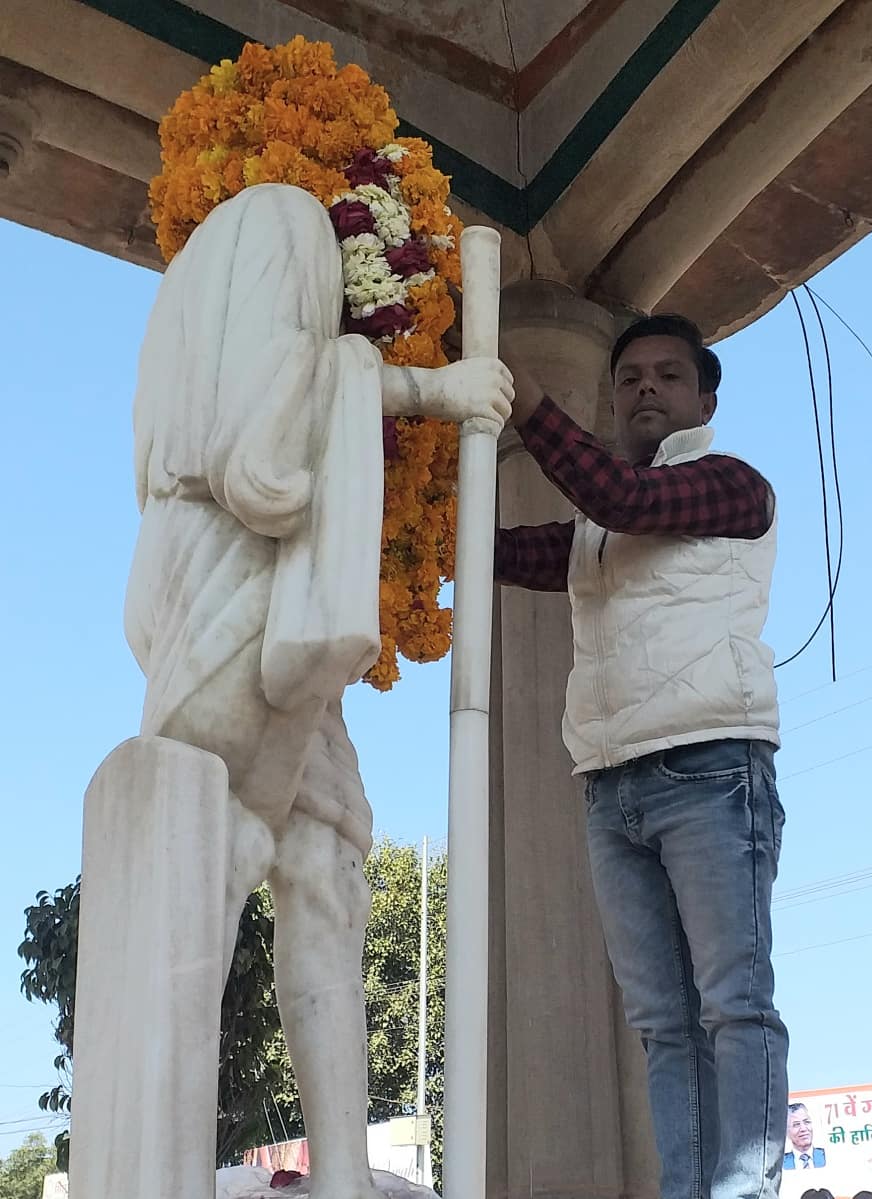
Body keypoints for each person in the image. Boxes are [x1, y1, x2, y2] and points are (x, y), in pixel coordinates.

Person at [125, 183, 513, 1199]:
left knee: (320, 861)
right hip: (242, 582)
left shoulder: (182, 289)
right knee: (219, 865)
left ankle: (336, 1171)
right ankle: (164, 1165)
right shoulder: (280, 221)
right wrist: (432, 390)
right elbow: (265, 443)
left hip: (220, 584)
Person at [496, 314, 787, 1199]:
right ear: (613, 400)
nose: (646, 388)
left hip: (712, 767)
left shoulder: (732, 485)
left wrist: (525, 402)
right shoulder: (595, 526)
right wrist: (420, 518)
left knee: (734, 1005)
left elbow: (629, 501)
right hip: (609, 783)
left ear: (706, 401)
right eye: (629, 379)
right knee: (664, 1024)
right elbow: (513, 550)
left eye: (668, 374)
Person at [784, 1103, 827, 1169]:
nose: (803, 1129)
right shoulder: (781, 1163)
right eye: (796, 1124)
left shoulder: (826, 1156)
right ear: (787, 1132)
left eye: (807, 1122)